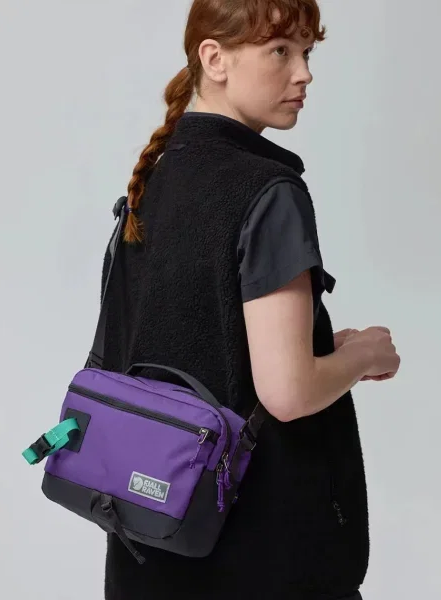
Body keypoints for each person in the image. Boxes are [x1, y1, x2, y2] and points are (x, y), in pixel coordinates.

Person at [100, 1, 400, 598]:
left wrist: (318, 346)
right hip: (260, 553)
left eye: (307, 52)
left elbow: (183, 346)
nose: (304, 73)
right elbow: (287, 393)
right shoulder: (269, 192)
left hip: (146, 541)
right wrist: (364, 355)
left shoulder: (155, 176)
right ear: (214, 59)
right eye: (280, 51)